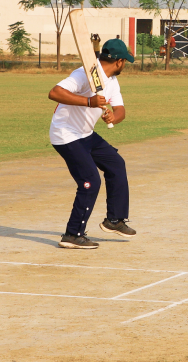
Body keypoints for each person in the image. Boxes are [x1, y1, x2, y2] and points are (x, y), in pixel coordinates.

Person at [48, 39, 137, 249]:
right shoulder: (83, 74)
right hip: (66, 134)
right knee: (90, 181)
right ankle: (72, 234)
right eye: (126, 61)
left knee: (115, 163)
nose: (125, 65)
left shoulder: (112, 81)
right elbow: (54, 93)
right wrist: (89, 101)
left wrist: (114, 117)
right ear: (119, 61)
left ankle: (114, 220)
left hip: (86, 134)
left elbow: (120, 109)